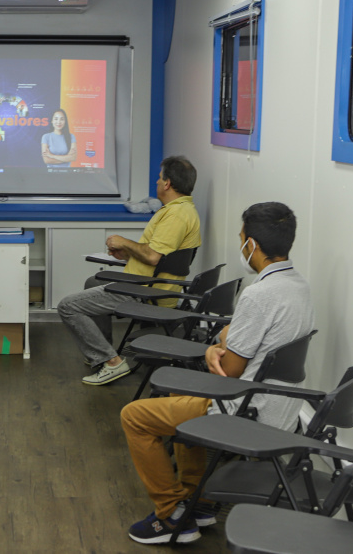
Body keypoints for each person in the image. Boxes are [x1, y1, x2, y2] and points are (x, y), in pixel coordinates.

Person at [120, 202, 315, 545]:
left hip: (245, 409)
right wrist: (224, 341)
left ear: (251, 245)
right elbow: (238, 341)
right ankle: (201, 504)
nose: (240, 245)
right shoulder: (300, 287)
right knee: (182, 404)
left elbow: (228, 368)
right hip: (280, 409)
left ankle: (169, 515)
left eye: (241, 238)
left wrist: (213, 350)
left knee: (135, 416)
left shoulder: (258, 295)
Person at [57, 156, 201, 385]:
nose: (156, 181)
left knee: (67, 306)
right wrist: (127, 253)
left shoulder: (176, 215)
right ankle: (102, 351)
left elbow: (153, 257)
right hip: (144, 282)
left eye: (159, 178)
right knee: (92, 282)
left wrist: (124, 242)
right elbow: (157, 255)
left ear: (167, 184)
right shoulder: (178, 210)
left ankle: (111, 362)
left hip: (144, 292)